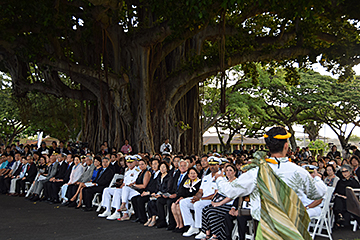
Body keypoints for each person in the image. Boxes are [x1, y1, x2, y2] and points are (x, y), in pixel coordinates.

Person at [215, 126, 327, 238]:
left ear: (268, 147)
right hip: (291, 228)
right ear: (286, 146)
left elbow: (229, 191)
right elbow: (318, 193)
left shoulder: (255, 172)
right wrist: (317, 178)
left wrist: (219, 178)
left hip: (264, 229)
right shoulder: (299, 172)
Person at [181, 156, 220, 239]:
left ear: (218, 165)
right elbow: (200, 191)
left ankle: (202, 229)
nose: (212, 166)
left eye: (214, 164)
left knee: (197, 205)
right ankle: (193, 226)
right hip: (202, 200)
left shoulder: (220, 177)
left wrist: (201, 199)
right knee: (184, 202)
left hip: (212, 201)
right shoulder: (206, 177)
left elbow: (216, 194)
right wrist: (196, 197)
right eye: (211, 165)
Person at [200, 164, 238, 240]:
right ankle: (207, 233)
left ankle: (216, 235)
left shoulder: (236, 182)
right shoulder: (226, 181)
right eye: (227, 170)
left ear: (235, 172)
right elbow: (219, 192)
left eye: (230, 170)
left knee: (212, 212)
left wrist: (219, 203)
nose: (228, 172)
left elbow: (231, 196)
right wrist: (213, 201)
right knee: (205, 209)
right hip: (221, 202)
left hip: (229, 205)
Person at [98, 156, 140, 220]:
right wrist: (121, 186)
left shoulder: (137, 170)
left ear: (135, 162)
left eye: (131, 162)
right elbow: (124, 182)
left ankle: (117, 212)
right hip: (124, 189)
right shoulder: (127, 170)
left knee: (118, 191)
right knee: (107, 190)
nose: (129, 164)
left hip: (132, 189)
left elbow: (135, 182)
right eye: (128, 162)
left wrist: (124, 186)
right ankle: (108, 210)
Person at [156, 159, 189, 229]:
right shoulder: (177, 174)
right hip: (173, 194)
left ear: (187, 167)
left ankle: (173, 223)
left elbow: (185, 189)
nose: (182, 167)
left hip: (181, 196)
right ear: (179, 167)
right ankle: (162, 221)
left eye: (184, 166)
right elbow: (173, 186)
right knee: (159, 200)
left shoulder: (188, 176)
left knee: (169, 202)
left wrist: (176, 195)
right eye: (181, 166)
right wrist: (168, 194)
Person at [171, 167, 201, 233]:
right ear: (188, 175)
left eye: (194, 173)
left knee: (181, 204)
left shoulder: (199, 182)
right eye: (191, 173)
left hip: (195, 199)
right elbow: (183, 192)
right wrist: (181, 197)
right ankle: (178, 224)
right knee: (174, 205)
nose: (193, 175)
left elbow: (195, 193)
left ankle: (186, 226)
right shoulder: (187, 182)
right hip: (186, 199)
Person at [130, 158, 160, 223]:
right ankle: (138, 217)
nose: (154, 166)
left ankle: (143, 218)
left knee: (140, 199)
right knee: (134, 199)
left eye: (155, 164)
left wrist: (148, 192)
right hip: (147, 192)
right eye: (152, 164)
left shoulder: (153, 173)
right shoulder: (153, 173)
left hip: (153, 193)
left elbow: (148, 186)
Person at [145, 161, 171, 227]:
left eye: (163, 167)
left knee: (158, 201)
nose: (162, 169)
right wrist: (155, 193)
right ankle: (151, 218)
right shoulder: (159, 176)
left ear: (167, 168)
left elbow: (168, 189)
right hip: (159, 194)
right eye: (161, 167)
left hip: (165, 195)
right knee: (150, 201)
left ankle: (161, 220)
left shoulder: (169, 177)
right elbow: (157, 187)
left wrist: (161, 194)